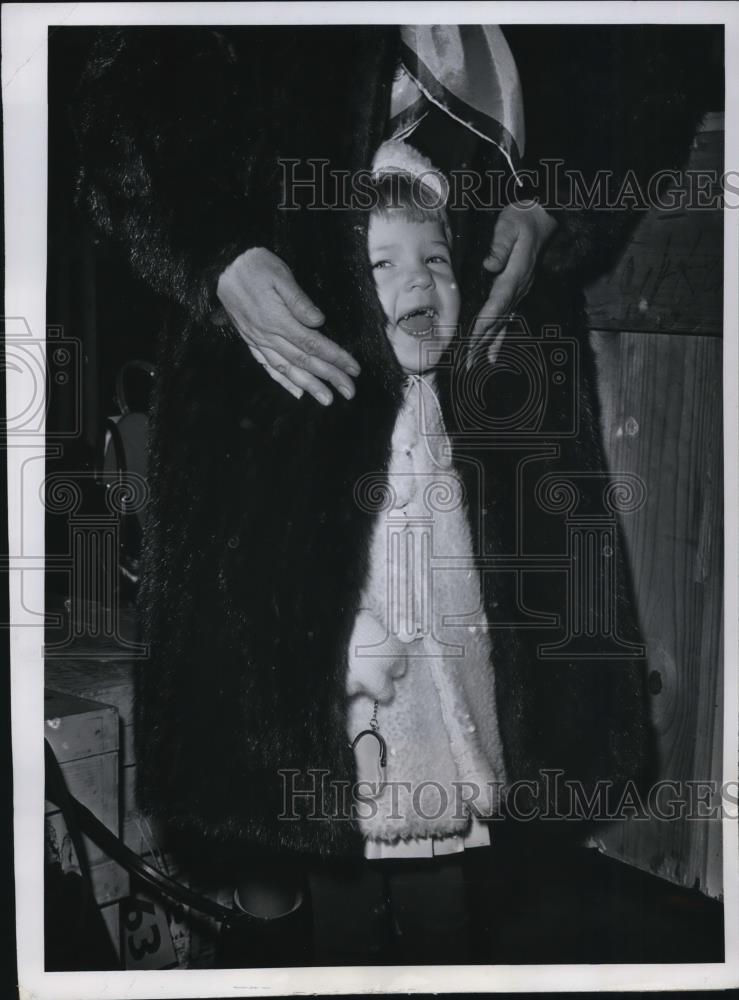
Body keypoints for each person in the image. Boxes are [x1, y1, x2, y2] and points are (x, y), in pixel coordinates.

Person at [71, 23, 709, 966]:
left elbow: (651, 59)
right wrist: (211, 246)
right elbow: (125, 76)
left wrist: (553, 203)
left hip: (486, 417)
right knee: (311, 785)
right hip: (279, 394)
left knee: (467, 793)